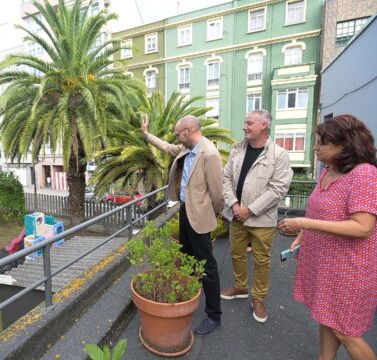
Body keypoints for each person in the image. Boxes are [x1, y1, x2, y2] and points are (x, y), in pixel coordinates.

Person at [279, 114, 377, 360]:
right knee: (327, 317)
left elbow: (363, 227)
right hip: (325, 263)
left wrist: (303, 223)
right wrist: (303, 235)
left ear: (345, 145)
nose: (316, 147)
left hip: (348, 268)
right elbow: (318, 208)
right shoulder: (327, 170)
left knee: (345, 331)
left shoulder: (364, 174)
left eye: (322, 142)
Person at [141, 114, 224, 335]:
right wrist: (146, 134)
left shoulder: (209, 154)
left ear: (188, 130)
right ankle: (187, 295)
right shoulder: (188, 149)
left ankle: (214, 316)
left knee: (207, 266)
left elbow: (217, 194)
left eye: (179, 133)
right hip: (185, 211)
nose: (177, 138)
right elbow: (167, 147)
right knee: (186, 256)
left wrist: (210, 214)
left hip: (200, 216)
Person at [221, 109, 293, 323]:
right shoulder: (237, 149)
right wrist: (234, 205)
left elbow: (279, 189)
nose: (245, 126)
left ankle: (259, 298)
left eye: (249, 123)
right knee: (236, 253)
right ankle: (240, 287)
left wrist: (249, 210)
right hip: (236, 215)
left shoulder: (279, 154)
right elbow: (226, 179)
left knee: (261, 261)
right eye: (245, 122)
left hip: (261, 219)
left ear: (264, 125)